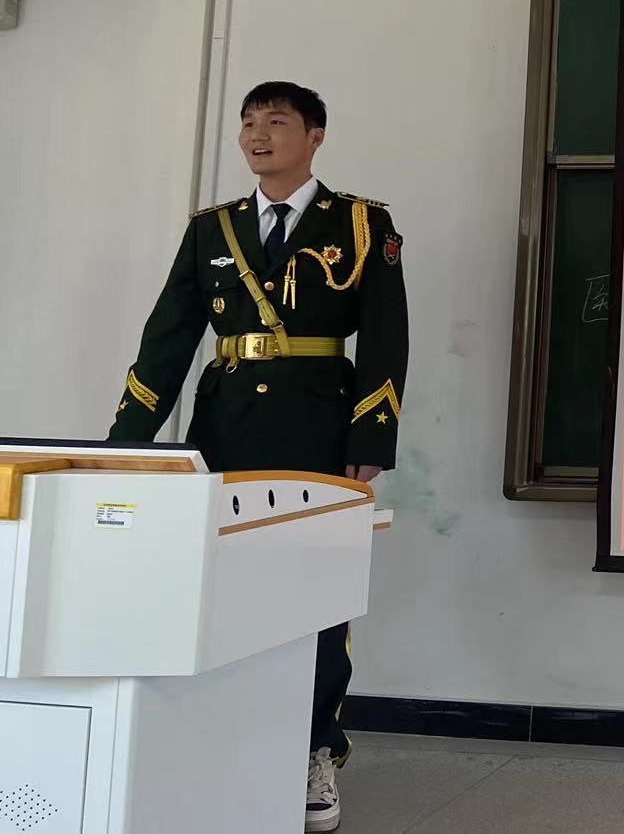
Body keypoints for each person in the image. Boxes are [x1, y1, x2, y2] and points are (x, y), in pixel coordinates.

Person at [109, 81, 407, 834]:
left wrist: (370, 440)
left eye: (276, 122)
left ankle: (314, 749)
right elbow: (168, 338)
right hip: (226, 427)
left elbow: (386, 336)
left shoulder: (361, 224)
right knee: (220, 588)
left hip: (320, 428)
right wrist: (125, 444)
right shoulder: (213, 229)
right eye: (248, 124)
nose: (257, 136)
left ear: (315, 136)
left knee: (318, 590)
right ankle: (227, 740)